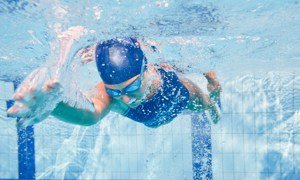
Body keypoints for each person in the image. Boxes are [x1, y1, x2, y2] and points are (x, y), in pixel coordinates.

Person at [7, 27, 221, 128]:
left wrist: (210, 81)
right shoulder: (110, 95)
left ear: (146, 69)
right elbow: (90, 116)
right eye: (114, 91)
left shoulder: (163, 71)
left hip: (181, 96)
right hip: (151, 120)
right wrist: (53, 105)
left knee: (207, 104)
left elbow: (192, 63)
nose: (125, 99)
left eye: (131, 88)